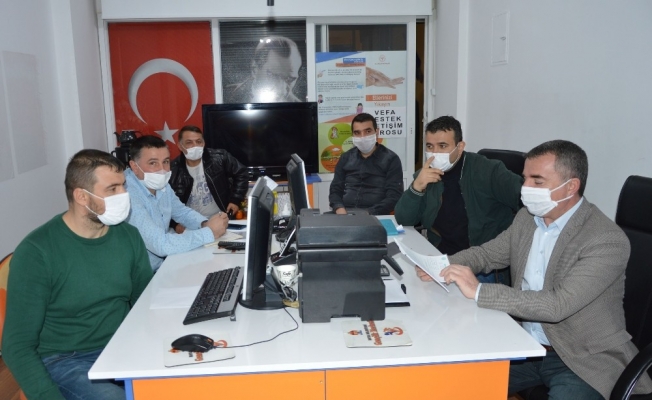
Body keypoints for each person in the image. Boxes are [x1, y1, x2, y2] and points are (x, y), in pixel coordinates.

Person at [426, 140, 652, 399]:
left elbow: (557, 305)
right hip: (527, 345)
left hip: (581, 358)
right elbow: (487, 254)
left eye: (537, 181)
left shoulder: (605, 239)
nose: (525, 188)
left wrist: (478, 290)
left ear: (571, 186)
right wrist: (443, 266)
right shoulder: (528, 219)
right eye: (524, 178)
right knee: (453, 382)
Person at [2, 149, 153, 400]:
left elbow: (144, 303)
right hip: (64, 359)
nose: (124, 195)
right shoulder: (37, 252)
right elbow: (17, 346)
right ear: (82, 196)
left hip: (120, 346)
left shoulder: (128, 236)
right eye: (112, 189)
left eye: (123, 186)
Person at [394, 115, 522, 283]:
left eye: (442, 146)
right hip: (440, 256)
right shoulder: (426, 174)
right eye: (430, 146)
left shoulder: (488, 170)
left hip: (480, 264)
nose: (435, 153)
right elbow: (404, 219)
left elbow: (524, 199)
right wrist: (416, 187)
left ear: (460, 147)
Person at [125, 135, 228, 271]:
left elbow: (181, 212)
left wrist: (204, 224)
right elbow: (161, 245)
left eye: (166, 161)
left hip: (165, 264)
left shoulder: (160, 184)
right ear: (134, 166)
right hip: (143, 275)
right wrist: (209, 232)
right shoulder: (127, 195)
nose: (162, 169)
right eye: (153, 163)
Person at [169, 125, 248, 232]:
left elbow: (241, 173)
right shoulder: (172, 169)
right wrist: (174, 224)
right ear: (180, 146)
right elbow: (165, 202)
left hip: (220, 219)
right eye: (189, 142)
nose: (195, 146)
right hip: (189, 225)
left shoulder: (220, 158)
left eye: (198, 141)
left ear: (203, 143)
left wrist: (235, 200)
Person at [329, 112, 403, 215]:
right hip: (345, 213)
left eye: (368, 131)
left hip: (374, 215)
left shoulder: (391, 159)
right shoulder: (346, 157)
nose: (362, 137)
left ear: (376, 132)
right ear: (352, 135)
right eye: (357, 133)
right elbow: (335, 189)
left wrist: (368, 213)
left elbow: (394, 196)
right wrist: (339, 208)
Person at [224, 36, 302, 103]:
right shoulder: (225, 95)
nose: (283, 91)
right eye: (274, 76)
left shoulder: (301, 110)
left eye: (290, 79)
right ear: (254, 70)